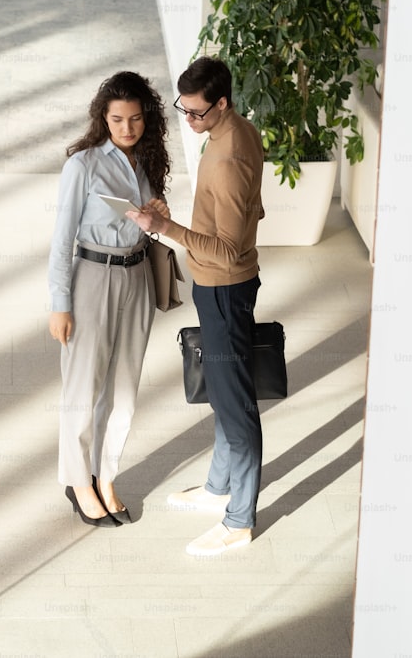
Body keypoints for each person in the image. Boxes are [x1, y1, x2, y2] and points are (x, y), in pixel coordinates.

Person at [126, 57, 264, 555]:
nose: (189, 120)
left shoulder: (227, 160)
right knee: (226, 396)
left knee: (236, 404)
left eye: (197, 113)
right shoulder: (242, 130)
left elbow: (225, 247)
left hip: (223, 286)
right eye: (184, 109)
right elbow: (249, 212)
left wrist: (166, 229)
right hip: (227, 284)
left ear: (222, 103)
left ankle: (239, 520)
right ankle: (218, 489)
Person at [48, 71, 171, 528]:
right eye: (118, 119)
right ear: (104, 117)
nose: (127, 129)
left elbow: (148, 218)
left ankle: (106, 476)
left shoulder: (148, 159)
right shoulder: (81, 166)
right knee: (83, 388)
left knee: (123, 392)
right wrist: (60, 303)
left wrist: (158, 213)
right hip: (92, 278)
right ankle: (79, 482)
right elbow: (61, 240)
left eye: (136, 119)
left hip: (137, 277)